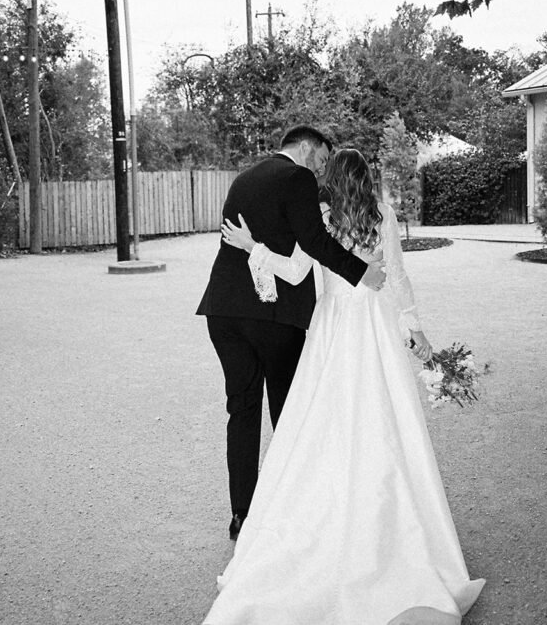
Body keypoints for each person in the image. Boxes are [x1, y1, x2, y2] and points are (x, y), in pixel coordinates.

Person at [203, 149, 484, 625]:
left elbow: (293, 271)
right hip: (374, 325)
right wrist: (415, 330)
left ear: (330, 179)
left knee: (322, 422)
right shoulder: (384, 215)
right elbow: (396, 276)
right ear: (368, 179)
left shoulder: (321, 216)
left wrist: (252, 246)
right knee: (384, 419)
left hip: (332, 327)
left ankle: (321, 514)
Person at [196, 127, 387, 542]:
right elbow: (315, 242)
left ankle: (241, 515)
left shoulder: (244, 177)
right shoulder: (296, 177)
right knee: (288, 412)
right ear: (306, 147)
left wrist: (255, 248)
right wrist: (361, 273)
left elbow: (243, 239)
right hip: (274, 316)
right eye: (321, 157)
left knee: (242, 411)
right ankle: (286, 508)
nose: (321, 167)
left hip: (224, 310)